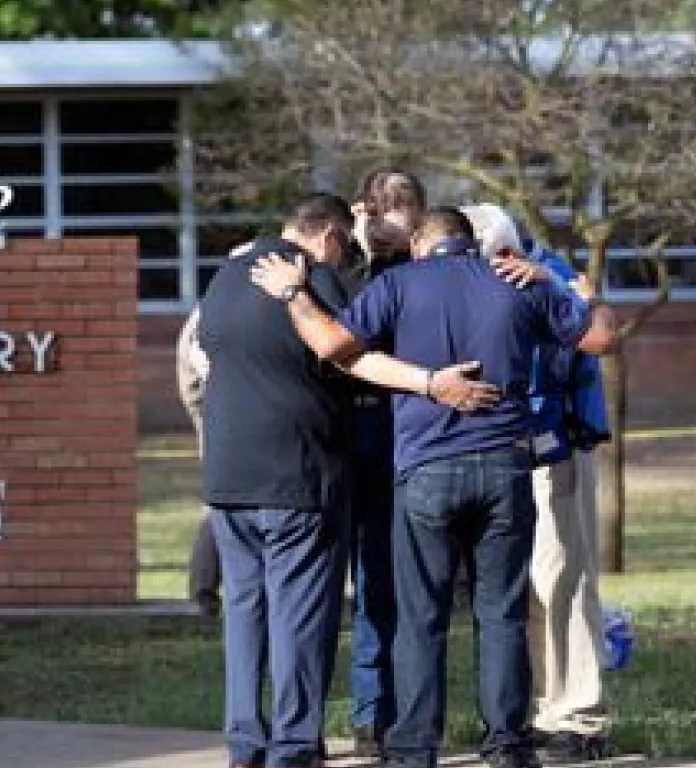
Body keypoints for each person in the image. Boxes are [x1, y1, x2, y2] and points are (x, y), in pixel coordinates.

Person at [249, 208, 619, 768]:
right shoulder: (518, 281)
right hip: (506, 467)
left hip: (425, 473)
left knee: (421, 615)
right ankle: (507, 745)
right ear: (470, 245)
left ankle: (414, 747)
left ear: (421, 245)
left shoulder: (398, 283)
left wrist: (294, 294)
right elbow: (601, 339)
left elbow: (330, 345)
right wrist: (579, 290)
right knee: (502, 614)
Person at [198, 194, 496, 768]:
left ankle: (244, 742)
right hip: (298, 476)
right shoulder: (312, 280)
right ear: (330, 237)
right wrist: (431, 383)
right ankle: (293, 744)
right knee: (299, 615)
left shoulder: (223, 279)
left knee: (244, 613)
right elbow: (349, 355)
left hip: (228, 477)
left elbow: (217, 357)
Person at [460, 204, 617, 763]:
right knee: (515, 589)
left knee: (562, 581)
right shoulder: (474, 272)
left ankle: (578, 718)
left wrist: (560, 288)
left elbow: (596, 336)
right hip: (495, 452)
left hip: (554, 448)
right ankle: (522, 715)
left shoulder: (543, 270)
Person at [343, 167, 425, 757]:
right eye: (382, 204)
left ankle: (381, 713)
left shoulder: (429, 267)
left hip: (403, 428)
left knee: (386, 577)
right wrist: (358, 250)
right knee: (326, 582)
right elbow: (334, 333)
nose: (392, 215)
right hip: (343, 429)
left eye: (404, 205)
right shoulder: (339, 266)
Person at [177, 241, 256, 618]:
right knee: (220, 502)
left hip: (220, 411)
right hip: (221, 414)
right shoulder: (217, 308)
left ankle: (206, 589)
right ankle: (203, 589)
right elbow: (204, 369)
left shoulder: (218, 302)